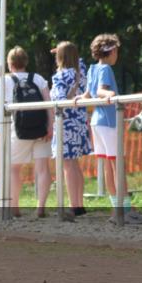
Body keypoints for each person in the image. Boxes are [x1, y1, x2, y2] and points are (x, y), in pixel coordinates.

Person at [75, 34, 142, 224]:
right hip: (108, 121)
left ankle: (118, 210)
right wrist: (110, 93)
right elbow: (100, 91)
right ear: (112, 51)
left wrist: (80, 98)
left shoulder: (92, 68)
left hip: (97, 122)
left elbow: (88, 93)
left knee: (109, 166)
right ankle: (125, 211)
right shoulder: (106, 68)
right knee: (118, 166)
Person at [0, 47, 53, 217]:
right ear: (26, 62)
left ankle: (14, 206)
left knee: (14, 168)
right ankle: (40, 208)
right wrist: (50, 127)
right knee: (43, 169)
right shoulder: (38, 79)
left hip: (19, 129)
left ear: (9, 64)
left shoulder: (5, 81)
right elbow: (49, 104)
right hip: (41, 129)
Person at [49, 41, 92, 217]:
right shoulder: (81, 71)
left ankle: (73, 205)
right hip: (80, 121)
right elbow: (78, 61)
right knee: (75, 165)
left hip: (65, 122)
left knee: (68, 165)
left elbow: (59, 99)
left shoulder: (61, 76)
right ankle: (79, 204)